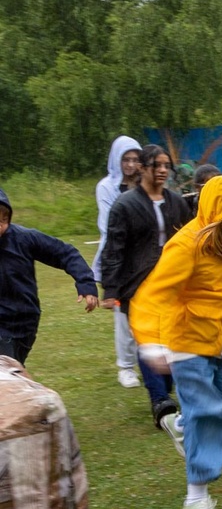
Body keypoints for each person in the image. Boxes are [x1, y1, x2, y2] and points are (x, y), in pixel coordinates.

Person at [130, 175, 222, 509]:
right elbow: (152, 296)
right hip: (186, 343)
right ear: (213, 211)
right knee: (208, 412)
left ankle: (182, 423)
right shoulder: (186, 245)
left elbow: (216, 285)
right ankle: (196, 498)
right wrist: (150, 343)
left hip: (220, 343)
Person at [101, 144, 193, 428]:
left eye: (167, 165)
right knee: (148, 341)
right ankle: (159, 400)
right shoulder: (125, 205)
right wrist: (111, 290)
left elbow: (191, 239)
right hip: (137, 285)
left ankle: (164, 386)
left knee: (170, 339)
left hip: (172, 283)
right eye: (157, 165)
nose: (163, 170)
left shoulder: (177, 202)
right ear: (142, 167)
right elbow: (113, 249)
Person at [0, 188, 99, 365]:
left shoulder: (23, 239)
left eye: (3, 219)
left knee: (10, 373)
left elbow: (65, 253)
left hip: (22, 323)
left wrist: (86, 284)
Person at [94, 135, 143, 388]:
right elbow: (109, 224)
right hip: (119, 257)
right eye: (126, 159)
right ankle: (125, 367)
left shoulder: (145, 185)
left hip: (144, 257)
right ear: (117, 160)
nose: (131, 165)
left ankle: (148, 362)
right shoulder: (106, 187)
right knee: (123, 315)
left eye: (136, 159)